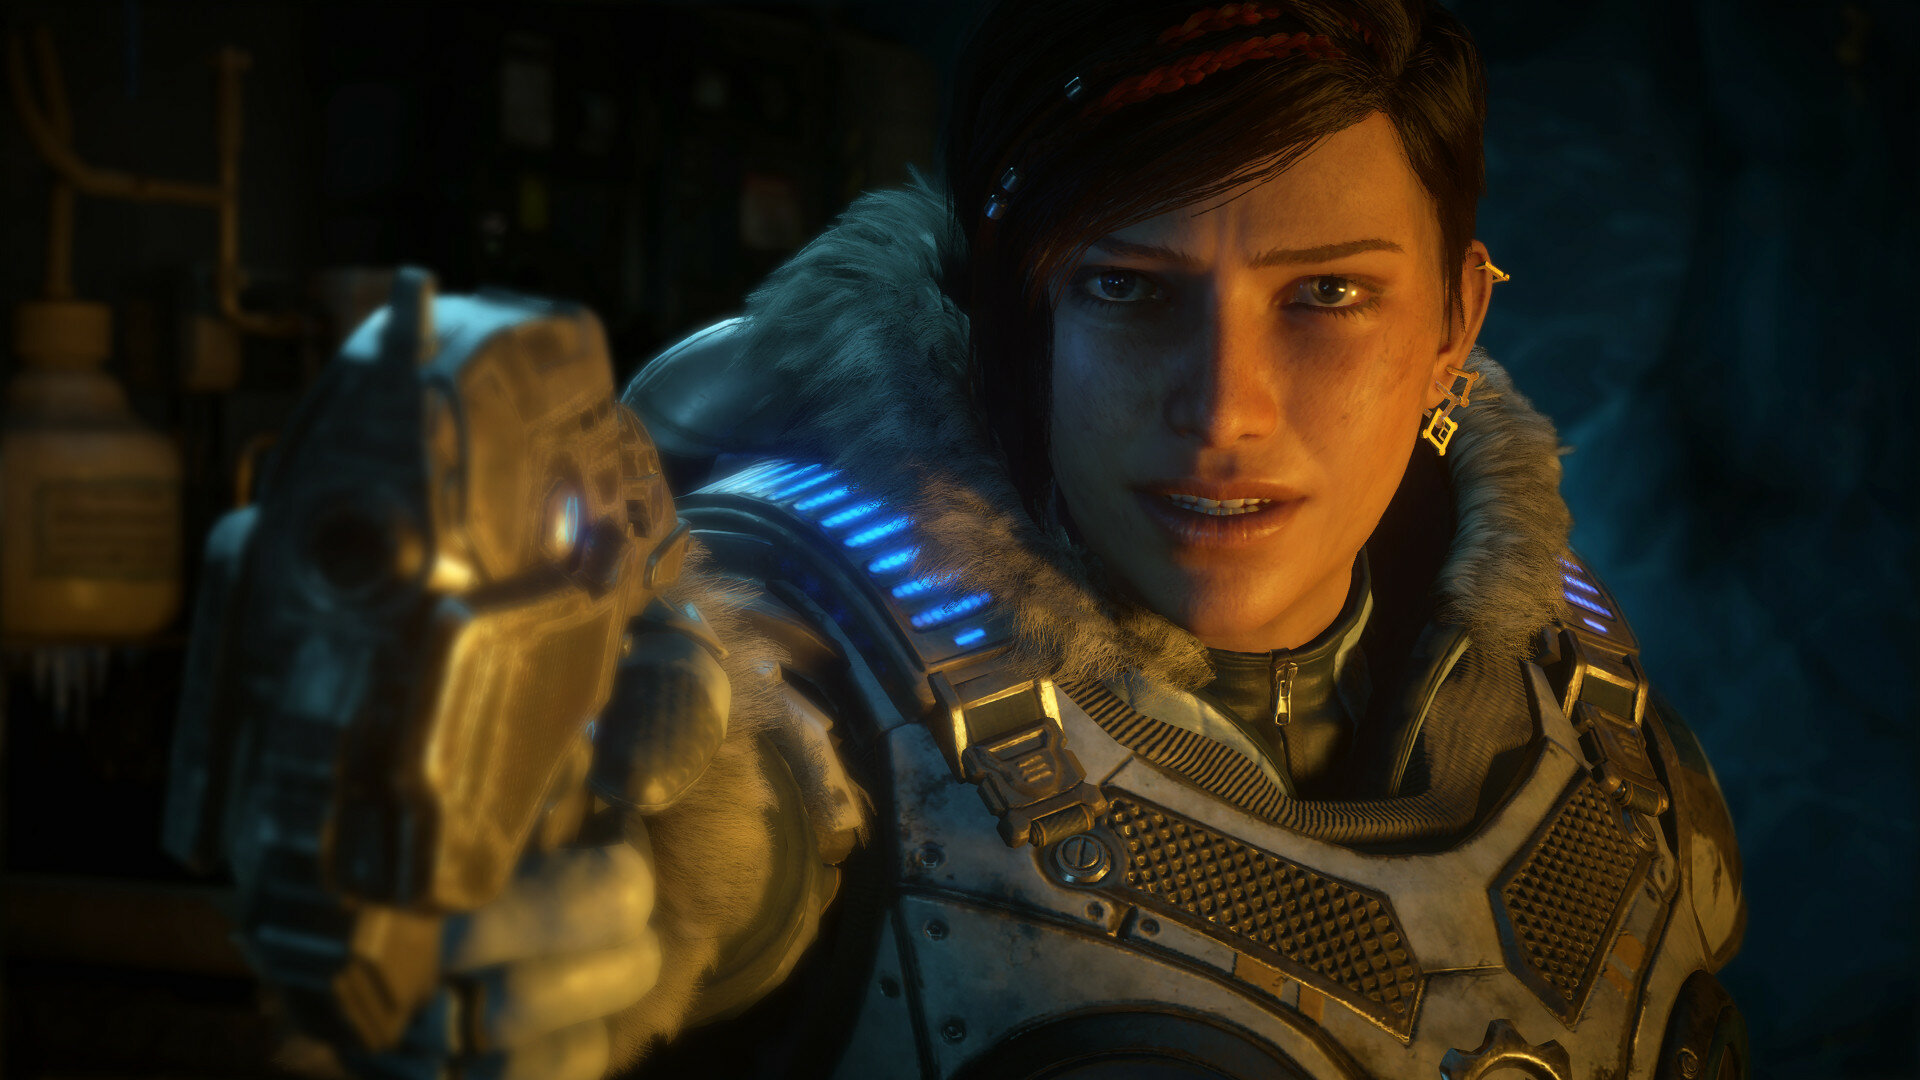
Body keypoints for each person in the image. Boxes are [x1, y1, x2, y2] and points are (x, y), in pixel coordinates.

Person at [349, 1, 1748, 1077]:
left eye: (1326, 293)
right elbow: (699, 797)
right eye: (1130, 288)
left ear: (1456, 323)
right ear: (1017, 328)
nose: (1225, 411)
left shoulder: (1588, 709)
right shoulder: (810, 652)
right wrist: (601, 873)